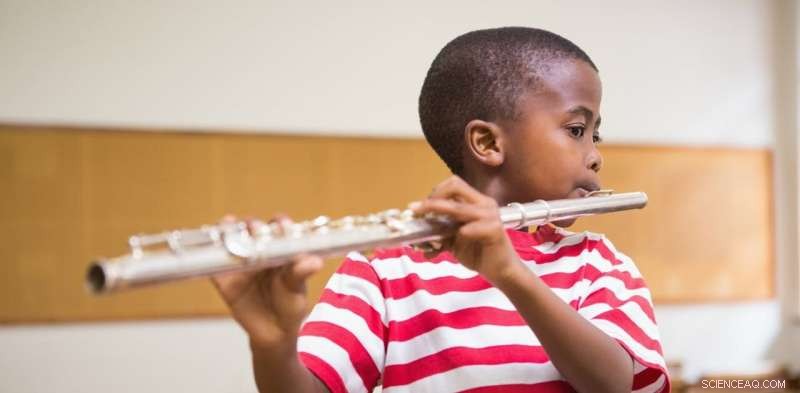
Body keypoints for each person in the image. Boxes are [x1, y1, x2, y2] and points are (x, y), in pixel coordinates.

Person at [212, 27, 670, 393]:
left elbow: (617, 384)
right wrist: (272, 345)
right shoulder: (383, 269)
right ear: (488, 143)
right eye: (576, 129)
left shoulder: (598, 263)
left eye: (596, 135)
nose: (594, 155)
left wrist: (511, 273)